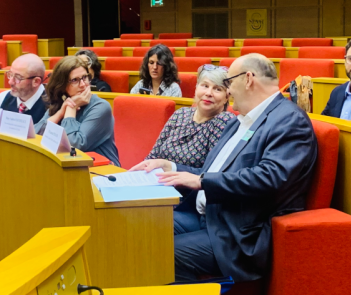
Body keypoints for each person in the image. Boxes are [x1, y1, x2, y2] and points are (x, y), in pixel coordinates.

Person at [131, 54, 317, 282]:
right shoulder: (243, 120)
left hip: (237, 232)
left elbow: (271, 178)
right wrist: (173, 169)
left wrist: (202, 181)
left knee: (160, 252)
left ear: (248, 79)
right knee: (137, 226)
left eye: (228, 83)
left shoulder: (288, 120)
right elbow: (211, 169)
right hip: (207, 215)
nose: (228, 91)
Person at [34, 56, 120, 166]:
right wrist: (60, 113)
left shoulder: (100, 107)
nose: (83, 85)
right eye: (75, 80)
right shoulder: (61, 103)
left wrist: (71, 109)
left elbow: (75, 145)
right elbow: (35, 136)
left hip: (102, 171)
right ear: (62, 85)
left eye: (85, 77)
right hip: (67, 166)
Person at [144, 65, 235, 168]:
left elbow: (209, 173)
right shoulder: (181, 114)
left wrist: (169, 167)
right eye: (205, 86)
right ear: (196, 88)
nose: (209, 93)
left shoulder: (224, 122)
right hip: (156, 179)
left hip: (186, 183)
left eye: (217, 89)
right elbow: (153, 155)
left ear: (226, 97)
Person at [0, 53, 47, 123]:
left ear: (36, 81)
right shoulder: (4, 97)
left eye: (18, 77)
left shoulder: (53, 106)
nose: (10, 82)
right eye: (10, 74)